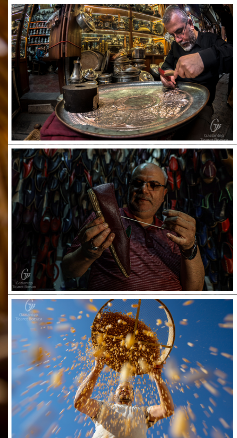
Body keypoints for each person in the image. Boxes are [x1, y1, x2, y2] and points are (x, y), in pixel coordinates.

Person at [61, 162, 204, 290]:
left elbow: (195, 290)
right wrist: (87, 254)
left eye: (153, 185)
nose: (144, 189)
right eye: (137, 183)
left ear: (164, 194)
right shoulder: (105, 218)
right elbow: (69, 270)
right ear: (129, 188)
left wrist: (190, 246)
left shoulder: (174, 232)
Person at [159, 5, 233, 139]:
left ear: (190, 23)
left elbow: (231, 54)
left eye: (180, 31)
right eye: (172, 35)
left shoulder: (211, 40)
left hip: (202, 107)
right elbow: (167, 65)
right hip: (175, 101)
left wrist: (203, 59)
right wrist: (167, 75)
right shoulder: (175, 46)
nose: (177, 39)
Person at [74, 359, 174, 438]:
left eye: (129, 389)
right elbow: (80, 402)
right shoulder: (103, 407)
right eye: (120, 388)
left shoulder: (143, 412)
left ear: (133, 397)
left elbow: (167, 410)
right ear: (114, 395)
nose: (124, 389)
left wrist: (157, 377)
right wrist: (97, 368)